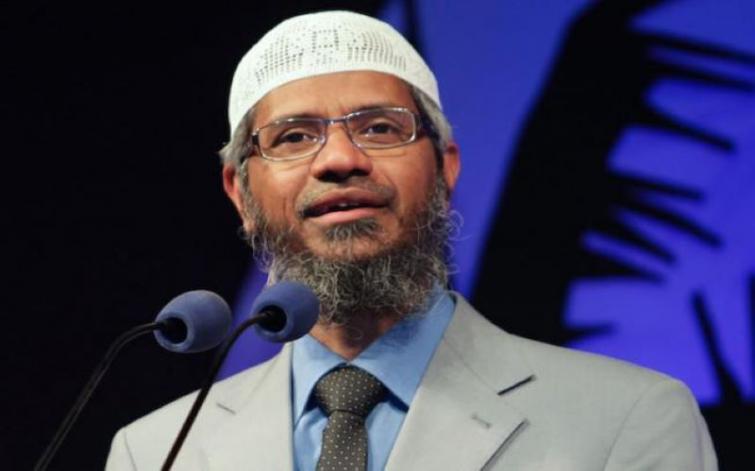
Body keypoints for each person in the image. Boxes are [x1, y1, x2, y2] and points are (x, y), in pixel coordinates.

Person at [106, 10, 717, 470]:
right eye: (294, 137)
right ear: (239, 192)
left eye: (379, 128)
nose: (339, 159)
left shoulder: (628, 418)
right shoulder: (155, 452)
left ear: (445, 168)